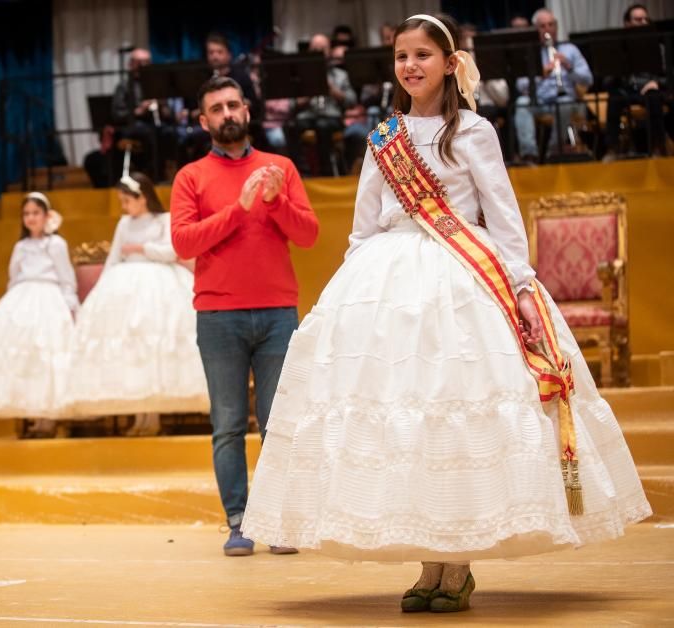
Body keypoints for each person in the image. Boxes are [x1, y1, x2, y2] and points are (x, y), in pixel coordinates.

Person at [241, 13, 651, 613]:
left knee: (454, 408)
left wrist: (520, 287)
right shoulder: (383, 138)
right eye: (402, 56)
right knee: (406, 420)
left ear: (450, 62)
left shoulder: (475, 132)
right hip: (388, 284)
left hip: (464, 280)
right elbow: (362, 228)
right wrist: (352, 302)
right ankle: (429, 560)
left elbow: (504, 219)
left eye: (423, 55)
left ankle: (455, 563)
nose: (410, 66)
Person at [170, 75, 319, 556]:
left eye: (233, 105)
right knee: (229, 425)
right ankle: (239, 521)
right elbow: (183, 244)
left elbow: (310, 235)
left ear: (248, 111)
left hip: (278, 311)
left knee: (278, 423)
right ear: (203, 120)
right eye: (217, 108)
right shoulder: (190, 177)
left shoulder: (281, 167)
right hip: (218, 315)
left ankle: (278, 521)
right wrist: (241, 208)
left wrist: (274, 201)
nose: (227, 114)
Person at [67, 172, 208, 435]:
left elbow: (172, 251)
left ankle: (153, 417)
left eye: (127, 200)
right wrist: (99, 292)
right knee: (130, 347)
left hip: (158, 282)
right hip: (124, 285)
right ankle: (140, 417)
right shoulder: (124, 223)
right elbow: (113, 258)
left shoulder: (163, 219)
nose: (124, 206)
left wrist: (142, 249)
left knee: (153, 342)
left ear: (142, 197)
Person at [0, 193, 79, 433]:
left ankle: (48, 418)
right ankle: (33, 414)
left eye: (35, 213)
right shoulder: (21, 246)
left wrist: (70, 306)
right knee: (23, 356)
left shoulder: (56, 244)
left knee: (46, 355)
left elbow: (66, 278)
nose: (31, 218)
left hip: (48, 298)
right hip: (22, 297)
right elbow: (14, 277)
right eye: (26, 214)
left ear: (46, 215)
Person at [514, 8, 593, 162]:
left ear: (556, 27)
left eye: (551, 25)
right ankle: (529, 155)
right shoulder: (530, 52)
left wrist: (569, 67)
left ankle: (554, 151)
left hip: (567, 100)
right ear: (536, 29)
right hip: (540, 101)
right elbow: (521, 86)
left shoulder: (570, 50)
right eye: (543, 26)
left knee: (564, 104)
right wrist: (541, 75)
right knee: (521, 103)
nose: (547, 29)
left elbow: (588, 79)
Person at [603, 4, 669, 160]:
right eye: (638, 20)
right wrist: (617, 72)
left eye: (646, 19)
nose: (643, 23)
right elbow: (606, 81)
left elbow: (669, 76)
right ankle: (612, 149)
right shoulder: (618, 48)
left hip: (649, 88)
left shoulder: (658, 47)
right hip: (627, 89)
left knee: (653, 96)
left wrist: (657, 83)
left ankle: (658, 147)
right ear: (627, 24)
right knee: (614, 97)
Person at [294, 34, 358, 176]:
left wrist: (332, 89)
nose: (319, 52)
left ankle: (326, 172)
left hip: (331, 116)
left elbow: (351, 100)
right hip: (308, 115)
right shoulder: (300, 74)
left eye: (322, 48)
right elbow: (292, 104)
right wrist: (309, 93)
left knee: (323, 125)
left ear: (329, 52)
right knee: (292, 125)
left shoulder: (340, 75)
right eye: (315, 48)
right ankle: (302, 173)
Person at [112, 48, 176, 181]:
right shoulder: (124, 86)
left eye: (146, 63)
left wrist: (162, 107)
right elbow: (117, 114)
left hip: (155, 124)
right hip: (133, 126)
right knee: (149, 133)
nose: (143, 66)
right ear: (131, 65)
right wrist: (139, 110)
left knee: (171, 132)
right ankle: (151, 173)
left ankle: (168, 174)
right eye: (139, 63)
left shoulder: (157, 84)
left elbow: (169, 113)